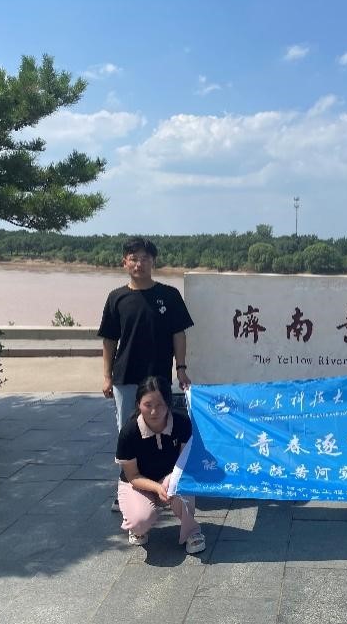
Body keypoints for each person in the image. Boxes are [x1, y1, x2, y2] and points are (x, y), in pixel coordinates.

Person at [98, 236, 194, 432]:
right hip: (125, 377)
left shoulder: (170, 295)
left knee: (160, 429)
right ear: (124, 262)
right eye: (133, 258)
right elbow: (109, 340)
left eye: (145, 258)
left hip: (159, 376)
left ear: (153, 262)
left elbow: (179, 334)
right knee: (127, 430)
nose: (139, 264)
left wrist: (181, 368)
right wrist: (107, 376)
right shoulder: (116, 297)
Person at [116, 375, 205, 551]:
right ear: (138, 404)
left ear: (169, 404)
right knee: (139, 522)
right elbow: (132, 476)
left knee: (184, 485)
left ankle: (191, 531)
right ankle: (136, 524)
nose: (154, 412)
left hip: (171, 478)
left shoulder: (182, 423)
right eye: (148, 405)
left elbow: (185, 462)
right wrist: (157, 488)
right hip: (138, 482)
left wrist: (170, 479)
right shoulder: (129, 432)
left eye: (160, 405)